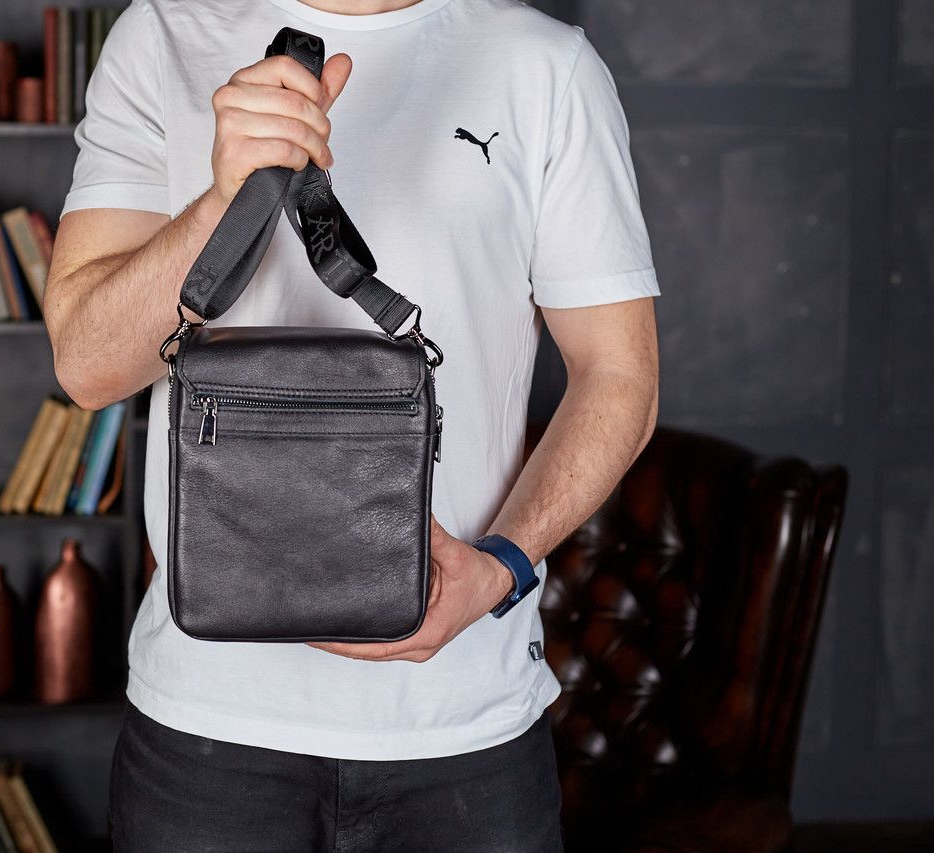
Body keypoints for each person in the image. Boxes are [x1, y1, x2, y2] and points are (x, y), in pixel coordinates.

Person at [45, 0, 659, 848]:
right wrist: (224, 198)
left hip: (466, 726)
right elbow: (86, 365)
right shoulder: (163, 33)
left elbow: (619, 376)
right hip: (207, 731)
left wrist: (503, 567)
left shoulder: (548, 66)